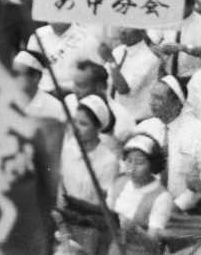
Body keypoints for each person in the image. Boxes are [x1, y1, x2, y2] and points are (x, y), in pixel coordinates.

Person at [135, 76, 201, 212]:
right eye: (152, 96)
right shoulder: (144, 128)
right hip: (145, 207)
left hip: (186, 212)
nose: (152, 102)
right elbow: (127, 169)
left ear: (176, 103)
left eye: (159, 98)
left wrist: (177, 206)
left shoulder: (199, 132)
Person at [58, 95, 118, 254]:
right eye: (75, 121)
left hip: (90, 228)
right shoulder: (68, 148)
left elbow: (105, 204)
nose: (76, 127)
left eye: (83, 124)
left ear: (97, 128)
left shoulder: (108, 161)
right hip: (63, 221)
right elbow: (60, 184)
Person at [106, 134, 173, 255]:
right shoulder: (120, 183)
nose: (132, 167)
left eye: (139, 162)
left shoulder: (162, 197)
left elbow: (154, 243)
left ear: (153, 165)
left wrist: (135, 229)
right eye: (129, 161)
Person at [99, 27, 161, 122]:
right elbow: (103, 78)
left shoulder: (149, 58)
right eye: (122, 25)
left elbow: (124, 90)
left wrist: (110, 60)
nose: (122, 30)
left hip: (138, 120)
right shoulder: (118, 51)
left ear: (142, 31)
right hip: (118, 116)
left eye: (128, 27)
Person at [13, 50, 64, 121]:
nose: (14, 78)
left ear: (35, 77)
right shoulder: (12, 98)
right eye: (13, 72)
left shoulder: (56, 109)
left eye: (17, 73)